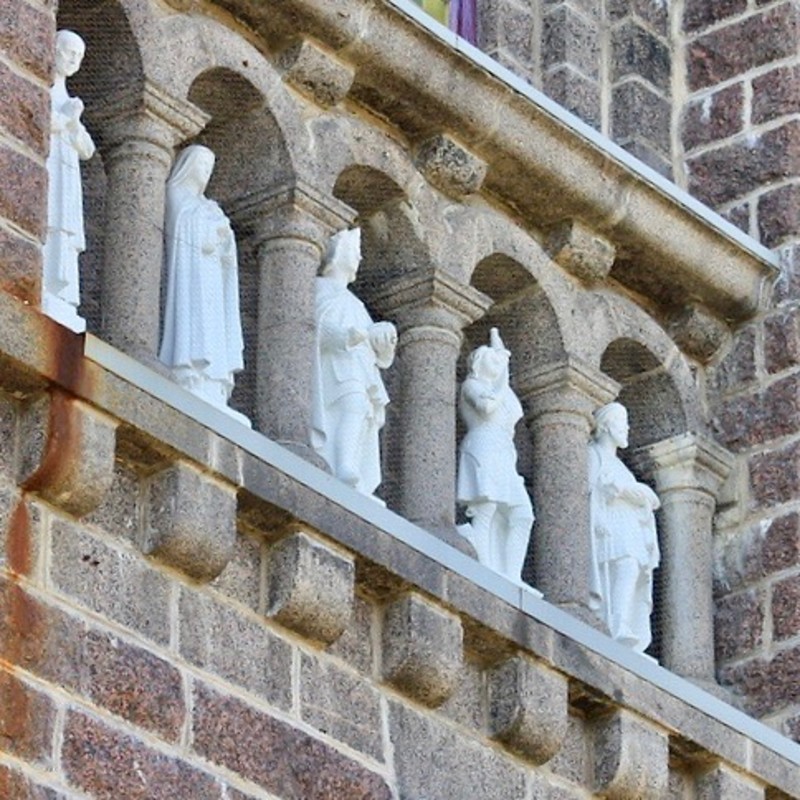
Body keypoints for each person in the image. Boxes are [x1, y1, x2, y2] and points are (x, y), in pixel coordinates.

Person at [159, 145, 246, 422]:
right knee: (193, 325)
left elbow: (222, 249)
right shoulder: (177, 194)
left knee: (213, 327)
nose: (206, 172)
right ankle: (189, 374)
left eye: (210, 167)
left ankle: (213, 385)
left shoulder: (208, 206)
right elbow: (180, 225)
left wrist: (224, 237)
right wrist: (209, 228)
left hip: (210, 279)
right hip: (189, 275)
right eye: (202, 165)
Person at [311, 227, 396, 496]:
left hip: (358, 368)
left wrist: (384, 342)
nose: (359, 258)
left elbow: (377, 351)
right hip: (335, 365)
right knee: (353, 404)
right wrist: (344, 337)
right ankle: (343, 463)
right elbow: (313, 324)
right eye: (355, 252)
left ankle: (347, 462)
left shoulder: (356, 304)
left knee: (359, 410)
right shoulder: (320, 288)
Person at [457, 328, 534, 583]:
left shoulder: (503, 391)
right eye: (491, 358)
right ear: (479, 364)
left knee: (523, 514)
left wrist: (503, 363)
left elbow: (514, 413)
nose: (497, 362)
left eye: (498, 359)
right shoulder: (472, 385)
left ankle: (512, 574)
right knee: (486, 505)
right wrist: (502, 379)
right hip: (483, 444)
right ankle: (484, 561)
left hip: (503, 451)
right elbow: (487, 406)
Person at [589, 402, 660, 652]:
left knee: (632, 568)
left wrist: (634, 492)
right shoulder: (593, 454)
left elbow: (648, 499)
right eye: (622, 422)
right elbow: (589, 491)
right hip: (611, 526)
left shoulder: (621, 467)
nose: (627, 428)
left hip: (627, 525)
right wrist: (597, 518)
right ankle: (616, 623)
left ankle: (622, 622)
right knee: (626, 565)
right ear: (606, 426)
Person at [42, 30, 96, 333]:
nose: (73, 60)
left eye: (79, 56)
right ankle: (44, 283)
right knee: (48, 222)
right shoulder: (44, 87)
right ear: (54, 50)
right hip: (48, 167)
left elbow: (87, 149)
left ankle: (60, 294)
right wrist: (66, 119)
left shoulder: (70, 99)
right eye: (68, 52)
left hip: (67, 174)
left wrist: (74, 123)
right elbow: (36, 119)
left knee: (64, 232)